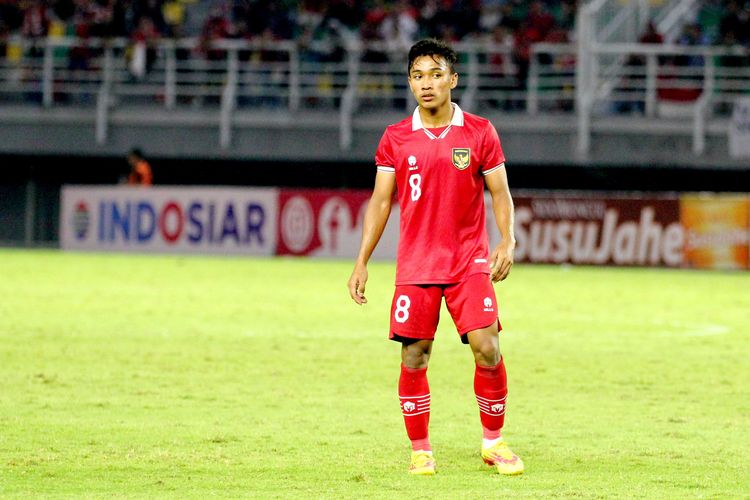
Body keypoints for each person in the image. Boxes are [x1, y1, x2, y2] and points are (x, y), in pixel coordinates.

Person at [347, 38, 522, 476]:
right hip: (417, 265)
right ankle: (421, 450)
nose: (427, 84)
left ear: (453, 79)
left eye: (436, 74)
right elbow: (381, 202)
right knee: (415, 356)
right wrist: (362, 260)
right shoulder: (395, 138)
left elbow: (500, 193)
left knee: (488, 347)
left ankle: (494, 443)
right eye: (418, 75)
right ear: (409, 82)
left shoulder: (480, 131)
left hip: (468, 262)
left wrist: (508, 240)